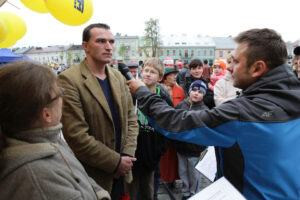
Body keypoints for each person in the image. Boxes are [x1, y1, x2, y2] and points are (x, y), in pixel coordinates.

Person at [126, 28, 300, 199]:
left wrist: (142, 93)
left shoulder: (242, 113)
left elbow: (175, 122)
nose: (229, 67)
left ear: (257, 68)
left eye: (235, 61)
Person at [0, 62, 110, 200]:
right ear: (46, 114)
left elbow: (81, 177)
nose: (63, 97)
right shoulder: (39, 179)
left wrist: (100, 194)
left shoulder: (49, 137)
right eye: (60, 93)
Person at [58, 23, 138, 199]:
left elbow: (131, 120)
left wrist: (126, 156)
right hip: (94, 178)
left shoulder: (117, 76)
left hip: (123, 173)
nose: (109, 47)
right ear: (85, 46)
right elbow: (76, 136)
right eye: (101, 41)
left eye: (111, 41)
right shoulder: (69, 80)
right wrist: (115, 163)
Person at [126, 58, 171, 200]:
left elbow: (169, 126)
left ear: (160, 77)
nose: (148, 74)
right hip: (132, 152)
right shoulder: (131, 94)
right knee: (130, 191)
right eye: (146, 70)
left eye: (153, 72)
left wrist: (159, 150)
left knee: (149, 192)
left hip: (152, 153)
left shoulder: (163, 97)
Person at [174, 80, 211, 200]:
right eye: (194, 90)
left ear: (203, 95)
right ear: (189, 91)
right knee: (183, 172)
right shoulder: (180, 106)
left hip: (196, 149)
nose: (196, 93)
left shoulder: (205, 110)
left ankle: (194, 194)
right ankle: (185, 193)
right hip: (181, 147)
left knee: (194, 174)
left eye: (200, 92)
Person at [159, 66, 185, 188]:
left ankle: (172, 178)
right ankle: (162, 176)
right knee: (163, 154)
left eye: (175, 74)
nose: (175, 76)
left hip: (176, 125)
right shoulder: (158, 89)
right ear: (164, 77)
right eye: (172, 74)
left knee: (174, 154)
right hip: (162, 126)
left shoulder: (180, 90)